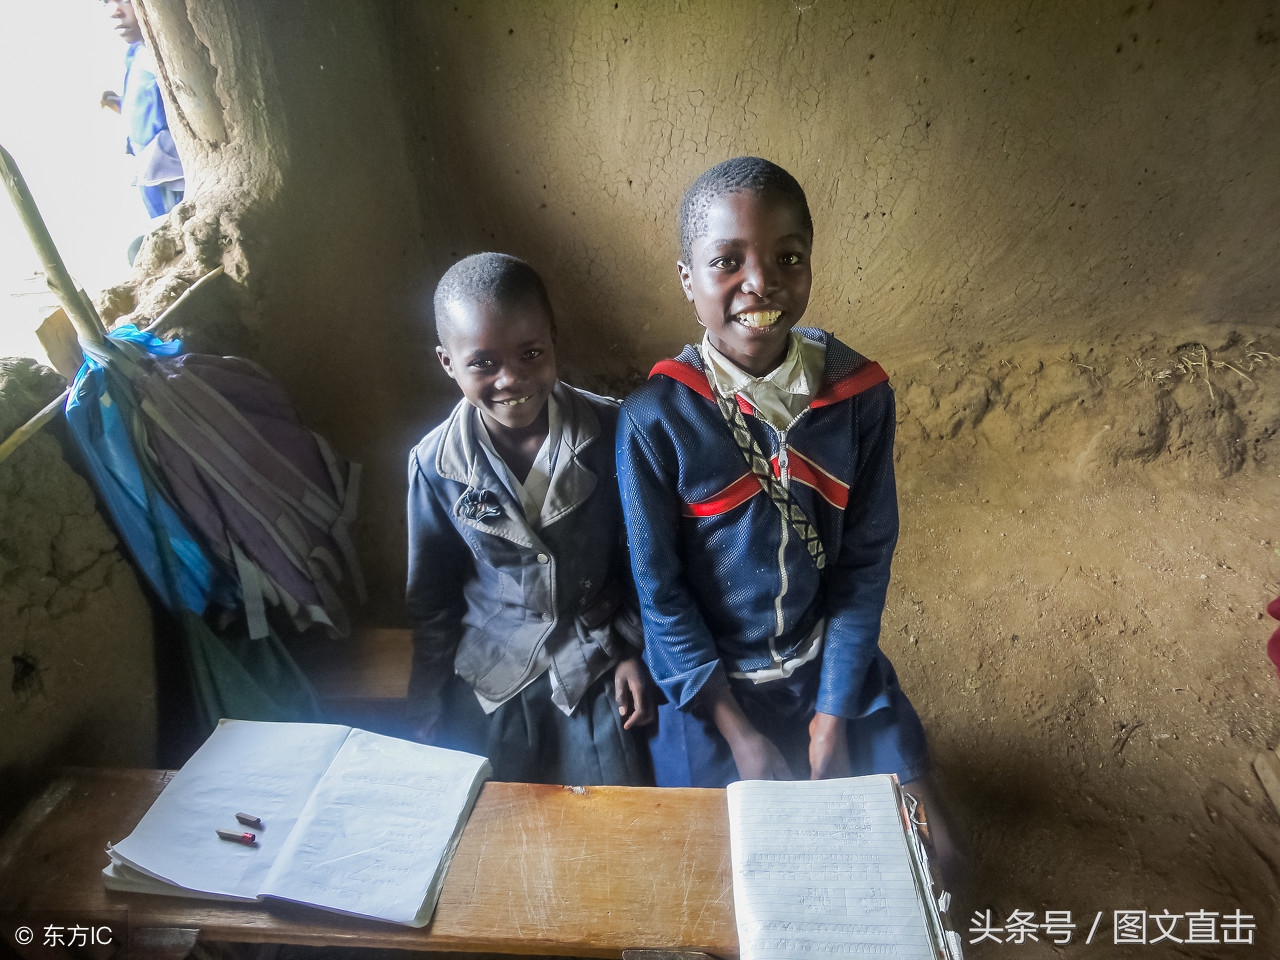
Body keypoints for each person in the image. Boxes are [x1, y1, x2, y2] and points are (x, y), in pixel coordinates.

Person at [617, 156, 953, 857]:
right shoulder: (656, 420)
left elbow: (863, 566)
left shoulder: (858, 397)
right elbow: (661, 595)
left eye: (786, 258)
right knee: (727, 875)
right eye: (727, 261)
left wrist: (832, 715)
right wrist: (742, 737)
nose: (760, 283)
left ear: (809, 265)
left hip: (825, 664)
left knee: (930, 860)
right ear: (688, 278)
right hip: (713, 692)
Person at [406, 252, 654, 785]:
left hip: (597, 654)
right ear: (448, 362)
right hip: (494, 659)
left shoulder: (616, 431)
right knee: (492, 807)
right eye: (482, 363)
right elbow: (433, 596)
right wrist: (426, 703)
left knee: (608, 804)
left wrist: (635, 650)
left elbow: (645, 560)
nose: (511, 379)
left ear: (554, 339)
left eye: (531, 352)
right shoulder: (434, 465)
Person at [99, 0, 185, 222]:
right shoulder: (135, 53)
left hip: (173, 175)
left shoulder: (172, 56)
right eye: (106, 2)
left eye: (126, 1)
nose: (114, 12)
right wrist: (119, 103)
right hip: (149, 174)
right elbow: (148, 107)